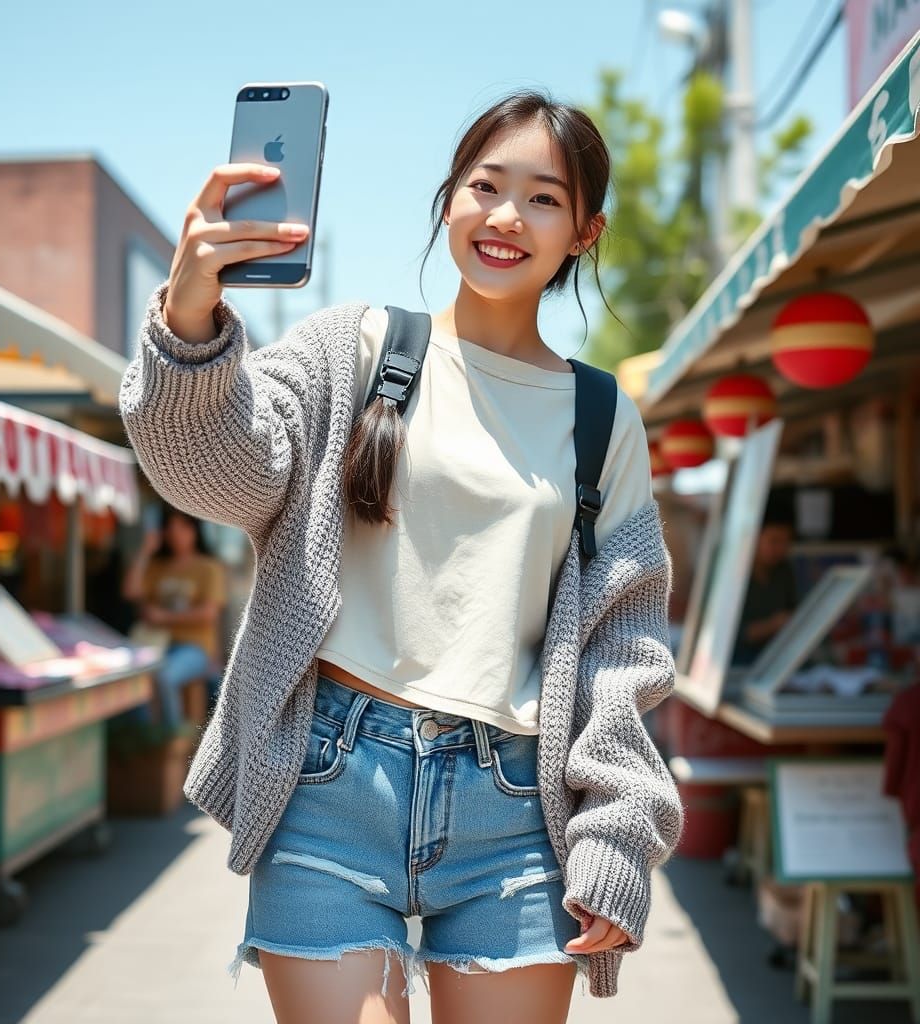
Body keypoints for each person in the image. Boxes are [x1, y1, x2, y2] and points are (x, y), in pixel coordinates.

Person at [120, 89, 684, 1023]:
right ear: (448, 200)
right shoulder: (361, 348)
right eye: (484, 185)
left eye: (543, 198)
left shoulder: (601, 416)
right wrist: (189, 319)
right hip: (332, 782)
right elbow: (217, 475)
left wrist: (618, 831)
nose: (506, 217)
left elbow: (623, 649)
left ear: (586, 230)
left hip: (513, 811)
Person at [122, 506, 226, 727]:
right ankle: (146, 735)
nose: (175, 534)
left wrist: (163, 617)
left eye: (182, 527)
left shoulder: (208, 568)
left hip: (195, 648)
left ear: (194, 530)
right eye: (169, 528)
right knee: (135, 679)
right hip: (155, 645)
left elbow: (209, 613)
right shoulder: (158, 566)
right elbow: (130, 591)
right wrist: (145, 551)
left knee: (163, 676)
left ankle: (171, 737)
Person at [732, 514, 799, 667]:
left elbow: (793, 610)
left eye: (786, 542)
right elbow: (731, 635)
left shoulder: (784, 571)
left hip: (777, 659)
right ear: (754, 539)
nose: (781, 548)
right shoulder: (732, 575)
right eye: (774, 541)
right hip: (738, 663)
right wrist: (772, 625)